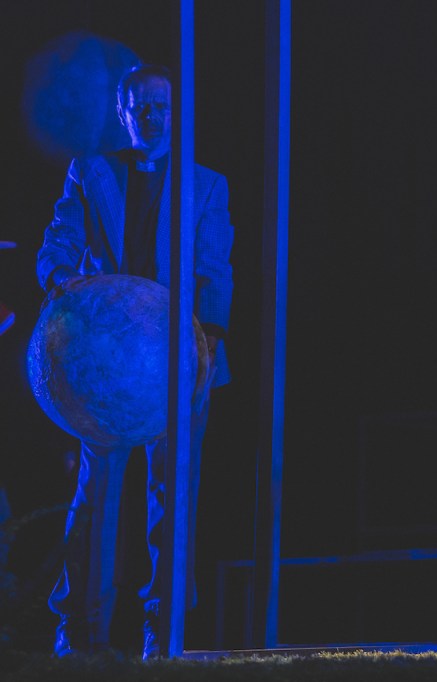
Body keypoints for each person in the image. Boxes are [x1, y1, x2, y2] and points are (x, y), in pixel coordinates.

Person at [36, 63, 234, 659]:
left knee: (174, 498)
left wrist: (207, 345)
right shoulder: (90, 171)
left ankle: (162, 629)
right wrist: (59, 275)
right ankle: (80, 628)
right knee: (94, 495)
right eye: (139, 106)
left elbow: (214, 270)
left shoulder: (206, 185)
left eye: (160, 106)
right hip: (106, 367)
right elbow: (60, 239)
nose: (150, 116)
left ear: (177, 113)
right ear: (122, 113)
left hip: (180, 363)